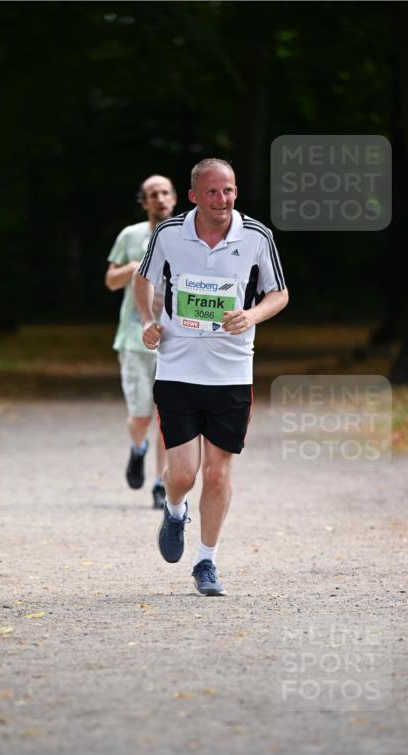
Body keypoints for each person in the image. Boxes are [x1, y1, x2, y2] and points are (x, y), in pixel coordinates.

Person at [133, 158, 289, 595]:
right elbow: (143, 279)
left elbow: (280, 292)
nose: (223, 200)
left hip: (232, 371)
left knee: (218, 474)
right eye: (214, 192)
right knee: (182, 474)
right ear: (194, 196)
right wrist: (148, 319)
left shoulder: (256, 236)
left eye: (229, 191)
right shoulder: (169, 234)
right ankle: (176, 509)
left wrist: (252, 314)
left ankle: (206, 562)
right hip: (178, 367)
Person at [105, 175, 177, 509]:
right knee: (141, 417)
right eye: (153, 194)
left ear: (175, 198)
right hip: (134, 340)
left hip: (175, 341)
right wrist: (136, 267)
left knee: (168, 417)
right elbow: (110, 280)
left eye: (165, 192)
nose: (160, 199)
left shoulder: (186, 235)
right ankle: (138, 449)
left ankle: (160, 484)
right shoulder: (131, 236)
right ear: (144, 202)